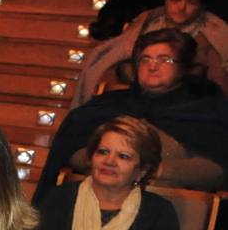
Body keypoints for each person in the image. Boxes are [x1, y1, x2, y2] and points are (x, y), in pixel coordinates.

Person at [33, 29, 228, 202]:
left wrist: (156, 170)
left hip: (171, 205)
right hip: (97, 197)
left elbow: (218, 169)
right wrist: (109, 166)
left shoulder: (206, 111)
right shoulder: (107, 105)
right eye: (145, 59)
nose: (152, 66)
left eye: (164, 59)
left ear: (183, 67)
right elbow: (71, 149)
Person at [37, 116, 179, 230]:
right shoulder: (60, 198)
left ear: (142, 169)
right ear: (91, 157)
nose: (109, 162)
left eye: (123, 156)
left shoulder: (159, 212)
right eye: (103, 152)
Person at [73, 0, 228, 106]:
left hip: (184, 105)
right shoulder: (147, 21)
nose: (181, 7)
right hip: (132, 97)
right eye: (176, 0)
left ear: (201, 5)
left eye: (190, 2)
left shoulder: (212, 33)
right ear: (166, 0)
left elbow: (218, 85)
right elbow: (115, 58)